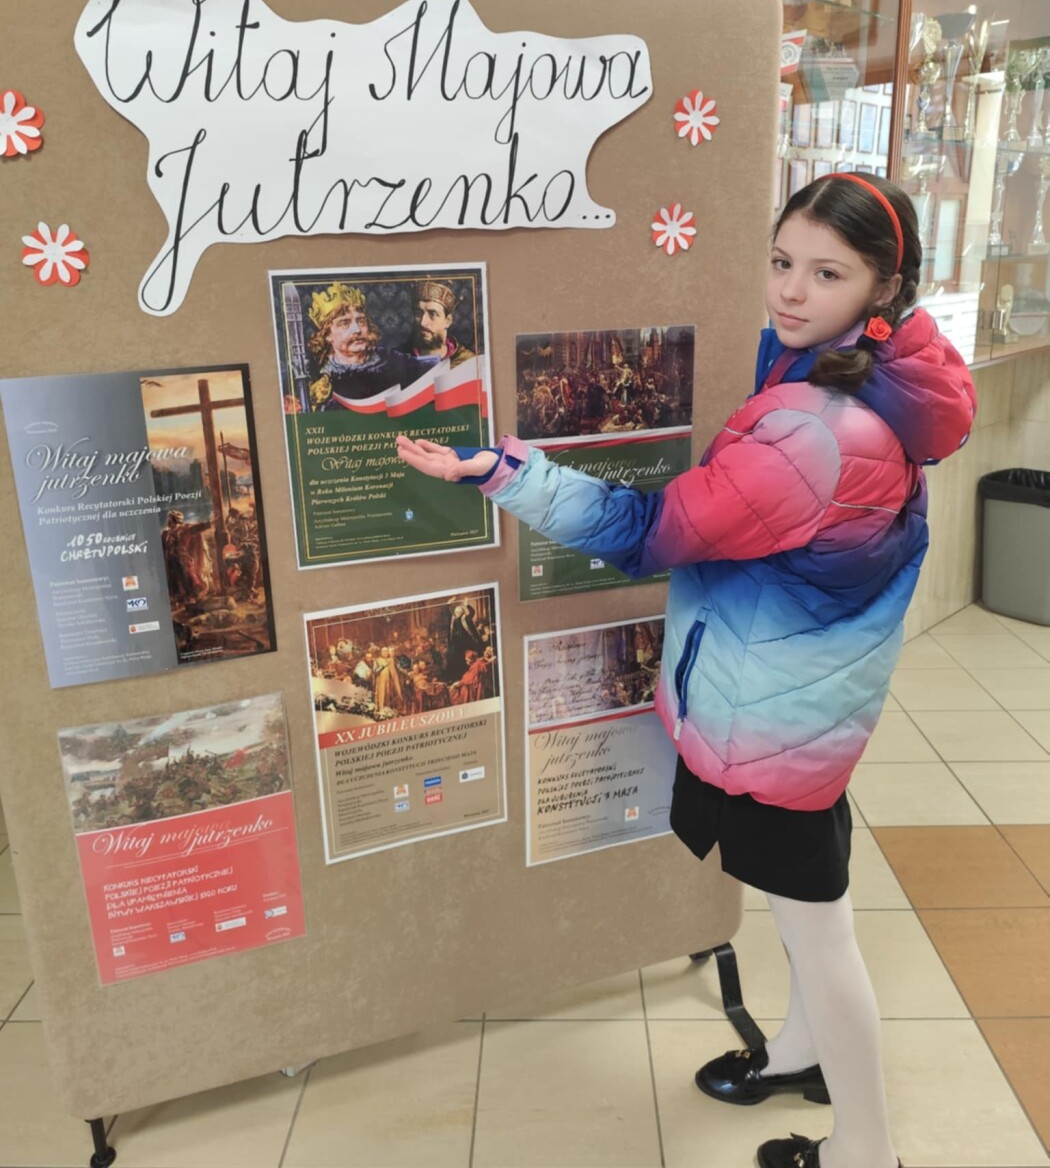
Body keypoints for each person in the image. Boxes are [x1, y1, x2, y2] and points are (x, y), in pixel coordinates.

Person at [396, 173, 976, 1168]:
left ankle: (865, 1148)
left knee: (821, 931)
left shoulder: (816, 426)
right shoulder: (881, 377)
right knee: (806, 910)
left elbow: (649, 531)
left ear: (884, 287)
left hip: (775, 722)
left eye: (826, 273)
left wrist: (502, 472)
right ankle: (799, 1052)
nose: (790, 290)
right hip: (808, 705)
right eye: (782, 260)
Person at [303, 282, 436, 410]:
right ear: (327, 335)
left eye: (361, 320)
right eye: (344, 323)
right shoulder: (317, 382)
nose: (356, 330)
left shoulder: (396, 363)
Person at [403, 279, 475, 367]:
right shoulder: (397, 359)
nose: (423, 322)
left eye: (432, 314)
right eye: (418, 313)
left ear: (447, 321)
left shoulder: (468, 362)